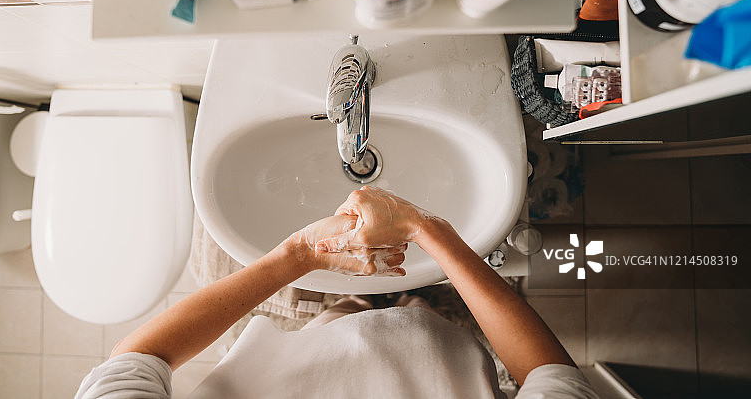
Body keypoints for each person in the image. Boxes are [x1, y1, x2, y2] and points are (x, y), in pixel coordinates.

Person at [76, 186, 597, 398]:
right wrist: (426, 230)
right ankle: (412, 303)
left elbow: (138, 361)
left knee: (210, 241)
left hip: (295, 336)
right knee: (502, 241)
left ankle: (362, 305)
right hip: (455, 344)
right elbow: (549, 378)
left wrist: (299, 254)